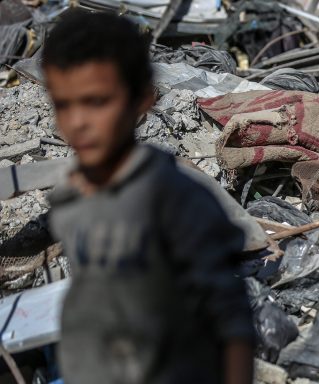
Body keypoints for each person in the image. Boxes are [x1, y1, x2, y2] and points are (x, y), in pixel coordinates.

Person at [43, 10, 254, 384]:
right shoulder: (70, 200)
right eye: (64, 104)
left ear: (142, 98)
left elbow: (231, 325)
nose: (78, 122)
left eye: (97, 102)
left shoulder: (177, 201)